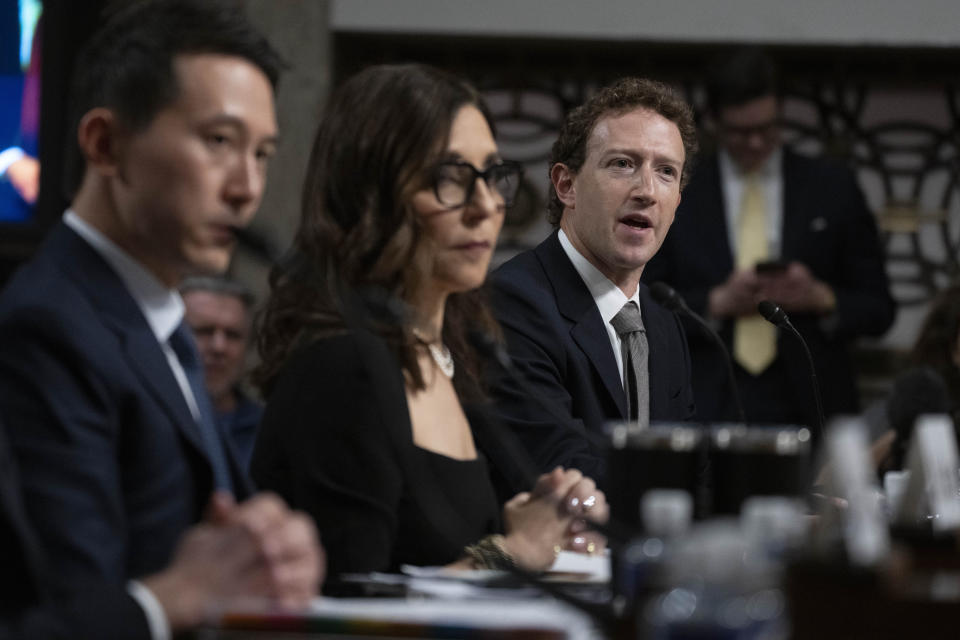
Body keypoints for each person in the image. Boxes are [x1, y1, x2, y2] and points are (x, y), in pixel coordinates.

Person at [0, 0, 322, 632]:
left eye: (262, 153)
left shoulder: (158, 318)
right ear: (105, 144)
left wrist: (276, 552)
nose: (246, 187)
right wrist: (177, 594)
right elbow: (59, 609)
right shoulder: (47, 327)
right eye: (220, 141)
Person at [251, 63, 608, 581]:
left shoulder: (455, 353)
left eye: (491, 176)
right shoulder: (345, 364)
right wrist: (512, 552)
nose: (485, 205)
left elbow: (448, 551)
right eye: (449, 179)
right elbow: (346, 604)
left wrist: (547, 528)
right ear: (371, 197)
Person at [643, 48, 895, 428]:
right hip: (704, 400)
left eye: (768, 128)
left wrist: (820, 297)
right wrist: (716, 302)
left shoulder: (831, 186)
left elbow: (879, 308)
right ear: (713, 122)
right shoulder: (678, 189)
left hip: (813, 400)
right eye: (742, 132)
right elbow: (641, 302)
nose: (757, 143)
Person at [487, 77, 698, 483]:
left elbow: (691, 470)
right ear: (566, 185)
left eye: (666, 172)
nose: (647, 191)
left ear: (677, 203)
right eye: (623, 164)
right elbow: (560, 470)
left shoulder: (665, 323)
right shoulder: (515, 303)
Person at [182, 276, 263, 467]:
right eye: (203, 331)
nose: (219, 347)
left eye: (233, 335)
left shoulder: (266, 430)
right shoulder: (145, 416)